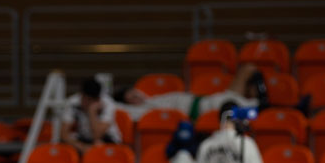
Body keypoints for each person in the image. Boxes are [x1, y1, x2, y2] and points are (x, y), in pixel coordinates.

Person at [115, 63, 269, 122]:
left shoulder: (152, 98)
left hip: (206, 99)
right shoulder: (142, 112)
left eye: (134, 92)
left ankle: (261, 100)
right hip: (205, 109)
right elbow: (117, 109)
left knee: (248, 69)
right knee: (239, 111)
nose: (135, 97)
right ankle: (261, 107)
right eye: (130, 98)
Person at [61, 77, 123, 154]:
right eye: (87, 99)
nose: (89, 103)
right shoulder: (72, 102)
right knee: (65, 146)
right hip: (84, 138)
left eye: (93, 100)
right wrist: (81, 146)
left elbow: (97, 135)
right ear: (81, 95)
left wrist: (92, 112)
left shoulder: (108, 104)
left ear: (98, 98)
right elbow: (64, 133)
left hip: (108, 138)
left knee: (98, 144)